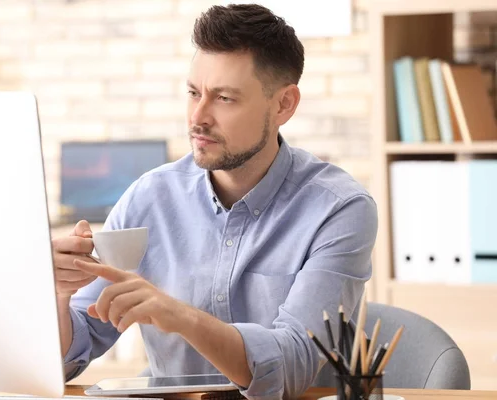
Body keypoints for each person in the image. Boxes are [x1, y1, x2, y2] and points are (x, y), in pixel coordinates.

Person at [52, 4, 378, 400]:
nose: (198, 118)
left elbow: (291, 367)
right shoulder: (149, 197)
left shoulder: (338, 209)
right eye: (193, 93)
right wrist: (57, 293)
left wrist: (181, 316)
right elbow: (73, 350)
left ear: (283, 105)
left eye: (224, 98)